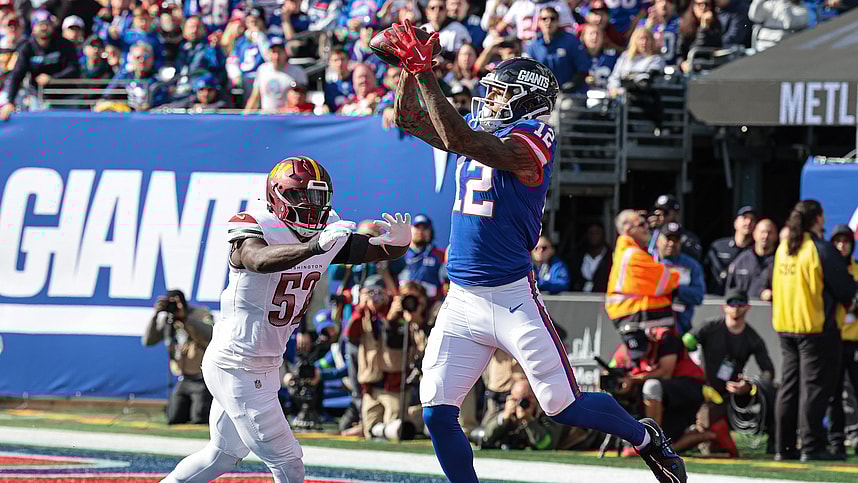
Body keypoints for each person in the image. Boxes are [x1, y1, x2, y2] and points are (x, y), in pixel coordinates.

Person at [387, 20, 686, 483]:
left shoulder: (535, 138)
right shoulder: (476, 130)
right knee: (436, 412)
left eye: (500, 95)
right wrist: (409, 69)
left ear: (526, 100)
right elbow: (410, 120)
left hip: (511, 297)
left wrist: (426, 74)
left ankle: (645, 438)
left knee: (564, 406)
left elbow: (460, 141)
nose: (490, 102)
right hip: (461, 298)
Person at [162, 156, 413, 483]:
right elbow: (257, 259)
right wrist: (312, 247)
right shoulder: (257, 224)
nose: (311, 207)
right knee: (289, 463)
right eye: (301, 197)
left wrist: (397, 245)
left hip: (264, 363)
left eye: (318, 199)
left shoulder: (324, 231)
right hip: (237, 363)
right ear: (279, 197)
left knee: (222, 455)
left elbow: (369, 250)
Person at [772, 200, 857, 462]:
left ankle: (784, 447)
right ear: (817, 219)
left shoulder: (784, 247)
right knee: (815, 389)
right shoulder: (820, 249)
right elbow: (846, 289)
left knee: (789, 388)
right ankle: (812, 446)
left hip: (786, 328)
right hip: (815, 329)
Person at [687, 288, 776, 456]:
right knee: (709, 435)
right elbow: (685, 344)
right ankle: (707, 434)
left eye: (740, 303)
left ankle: (776, 441)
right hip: (704, 390)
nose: (736, 307)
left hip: (733, 394)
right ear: (724, 307)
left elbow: (768, 371)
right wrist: (694, 374)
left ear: (748, 307)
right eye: (731, 303)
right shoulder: (709, 327)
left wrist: (749, 385)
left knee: (772, 392)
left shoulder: (752, 338)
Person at [143, 289, 214, 425]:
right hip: (184, 379)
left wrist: (185, 318)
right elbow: (148, 341)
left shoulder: (201, 314)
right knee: (173, 418)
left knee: (199, 419)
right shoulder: (170, 320)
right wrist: (156, 315)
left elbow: (210, 335)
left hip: (203, 379)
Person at [0, 9, 80, 121]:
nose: (44, 28)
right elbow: (17, 75)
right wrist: (9, 102)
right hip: (39, 97)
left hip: (65, 97)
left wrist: (52, 78)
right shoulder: (27, 47)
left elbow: (74, 69)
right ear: (33, 28)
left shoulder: (65, 45)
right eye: (40, 24)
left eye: (47, 24)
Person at [827, 224, 858, 459]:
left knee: (855, 393)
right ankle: (836, 440)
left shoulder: (857, 270)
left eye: (846, 241)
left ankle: (856, 437)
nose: (841, 246)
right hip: (835, 340)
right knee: (834, 393)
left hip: (855, 340)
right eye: (837, 241)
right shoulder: (827, 271)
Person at [655, 222, 705, 335]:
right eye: (668, 238)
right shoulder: (649, 262)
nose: (671, 243)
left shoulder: (691, 265)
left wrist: (674, 288)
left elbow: (698, 296)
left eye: (676, 240)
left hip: (682, 326)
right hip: (653, 325)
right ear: (658, 240)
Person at [525, 6, 590, 92]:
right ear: (539, 22)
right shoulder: (533, 46)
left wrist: (564, 89)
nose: (548, 22)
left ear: (558, 21)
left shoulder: (571, 41)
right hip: (542, 95)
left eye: (553, 18)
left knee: (567, 105)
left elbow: (582, 70)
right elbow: (529, 74)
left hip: (570, 94)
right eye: (544, 19)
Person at [243, 36, 308, 113]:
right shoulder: (262, 69)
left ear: (285, 53)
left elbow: (304, 98)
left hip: (288, 118)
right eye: (273, 52)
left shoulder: (297, 71)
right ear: (268, 54)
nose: (276, 56)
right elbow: (255, 97)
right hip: (266, 116)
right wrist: (245, 116)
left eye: (279, 52)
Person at [705, 205, 757, 295]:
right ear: (735, 223)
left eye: (752, 220)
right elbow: (705, 274)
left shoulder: (757, 251)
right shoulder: (718, 246)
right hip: (716, 299)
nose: (748, 222)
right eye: (744, 218)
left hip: (744, 302)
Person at [726, 218, 778, 299]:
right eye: (762, 232)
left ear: (776, 236)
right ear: (754, 234)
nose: (765, 236)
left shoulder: (780, 260)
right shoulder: (741, 260)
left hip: (771, 310)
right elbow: (730, 291)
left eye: (770, 232)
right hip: (744, 309)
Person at [399, 214, 447, 299]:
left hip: (431, 304)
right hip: (403, 301)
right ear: (410, 230)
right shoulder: (399, 254)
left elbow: (446, 284)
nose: (421, 231)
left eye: (425, 228)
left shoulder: (440, 255)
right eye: (417, 227)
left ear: (431, 232)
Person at [648, 194, 704, 263]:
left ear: (677, 214)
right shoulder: (648, 235)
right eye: (657, 213)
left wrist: (673, 246)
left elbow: (694, 260)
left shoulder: (688, 238)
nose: (660, 217)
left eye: (665, 213)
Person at [569, 221, 612, 293]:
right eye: (591, 233)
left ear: (603, 235)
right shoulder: (578, 258)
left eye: (597, 232)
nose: (594, 236)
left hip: (603, 299)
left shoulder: (611, 258)